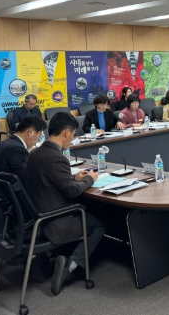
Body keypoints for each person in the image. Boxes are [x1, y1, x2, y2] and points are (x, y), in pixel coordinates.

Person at [25, 112, 105, 296]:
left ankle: (43, 259)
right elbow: (72, 192)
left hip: (37, 218)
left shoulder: (35, 153)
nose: (72, 139)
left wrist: (73, 177)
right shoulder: (57, 158)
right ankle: (71, 264)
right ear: (67, 132)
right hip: (56, 221)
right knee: (100, 223)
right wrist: (90, 179)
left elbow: (49, 180)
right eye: (73, 135)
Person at [0, 116, 47, 184]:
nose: (37, 141)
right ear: (30, 132)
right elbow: (27, 180)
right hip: (11, 190)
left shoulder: (2, 144)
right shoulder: (17, 150)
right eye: (39, 136)